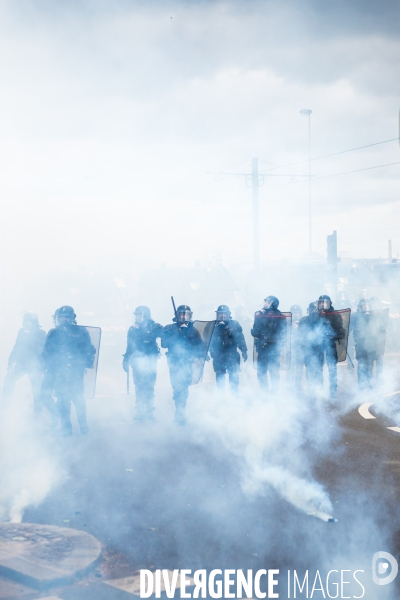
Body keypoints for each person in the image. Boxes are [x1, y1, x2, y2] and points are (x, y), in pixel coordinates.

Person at [41, 306, 96, 435]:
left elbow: (90, 349)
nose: (64, 320)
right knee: (63, 399)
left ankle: (82, 424)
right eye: (61, 317)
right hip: (60, 371)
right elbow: (47, 352)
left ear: (72, 318)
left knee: (77, 398)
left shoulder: (80, 332)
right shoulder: (55, 333)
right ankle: (67, 427)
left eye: (66, 317)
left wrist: (84, 358)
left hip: (74, 371)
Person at [161, 305, 205, 425]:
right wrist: (178, 333)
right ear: (177, 315)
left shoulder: (193, 330)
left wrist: (203, 355)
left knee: (184, 387)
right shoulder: (169, 328)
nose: (183, 317)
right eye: (181, 314)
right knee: (176, 386)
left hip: (187, 362)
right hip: (174, 362)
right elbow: (164, 344)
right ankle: (178, 407)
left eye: (186, 314)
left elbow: (199, 345)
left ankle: (181, 411)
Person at [123, 306, 163, 421]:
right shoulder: (133, 329)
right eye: (136, 315)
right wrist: (125, 360)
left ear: (145, 315)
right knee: (139, 387)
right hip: (137, 362)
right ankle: (140, 412)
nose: (136, 317)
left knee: (149, 386)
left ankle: (149, 411)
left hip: (150, 361)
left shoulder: (153, 327)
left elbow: (165, 335)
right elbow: (129, 346)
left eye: (139, 315)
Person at [2, 312, 47, 413]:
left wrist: (41, 368)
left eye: (28, 321)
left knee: (37, 389)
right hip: (21, 364)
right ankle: (4, 406)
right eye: (25, 321)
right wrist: (10, 362)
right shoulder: (22, 331)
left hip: (34, 365)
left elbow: (42, 351)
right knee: (9, 380)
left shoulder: (41, 333)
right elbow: (16, 347)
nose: (26, 323)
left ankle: (38, 412)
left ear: (34, 323)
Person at [302, 295, 345, 398]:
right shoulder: (314, 315)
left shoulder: (335, 315)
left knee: (332, 369)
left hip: (330, 345)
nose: (323, 304)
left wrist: (333, 335)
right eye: (321, 302)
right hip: (318, 346)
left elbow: (341, 332)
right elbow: (310, 329)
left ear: (330, 303)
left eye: (325, 302)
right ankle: (319, 390)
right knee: (318, 367)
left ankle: (333, 391)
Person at [251, 296, 287, 393]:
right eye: (265, 302)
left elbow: (283, 334)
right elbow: (254, 332)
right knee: (261, 371)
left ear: (273, 304)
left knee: (274, 371)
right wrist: (258, 319)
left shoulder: (280, 317)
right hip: (262, 348)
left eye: (267, 302)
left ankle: (274, 392)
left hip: (274, 348)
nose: (265, 304)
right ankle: (264, 392)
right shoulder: (260, 315)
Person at [209, 305, 247, 394]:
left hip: (232, 354)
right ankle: (221, 398)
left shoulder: (234, 324)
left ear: (228, 314)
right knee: (220, 377)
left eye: (224, 314)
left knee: (234, 376)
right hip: (218, 356)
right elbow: (207, 340)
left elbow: (240, 338)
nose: (222, 316)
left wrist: (244, 350)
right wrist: (205, 352)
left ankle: (234, 396)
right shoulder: (212, 325)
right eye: (220, 314)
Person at [351, 298, 375, 389]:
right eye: (364, 306)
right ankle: (361, 384)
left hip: (371, 345)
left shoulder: (372, 316)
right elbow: (348, 328)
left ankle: (368, 383)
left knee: (370, 365)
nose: (366, 308)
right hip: (360, 345)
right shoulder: (355, 316)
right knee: (361, 365)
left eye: (367, 306)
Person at [289, 304, 304, 393]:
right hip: (290, 349)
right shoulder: (287, 323)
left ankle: (298, 385)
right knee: (290, 368)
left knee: (299, 368)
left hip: (300, 349)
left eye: (297, 312)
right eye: (294, 313)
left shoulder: (304, 322)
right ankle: (289, 386)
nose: (296, 314)